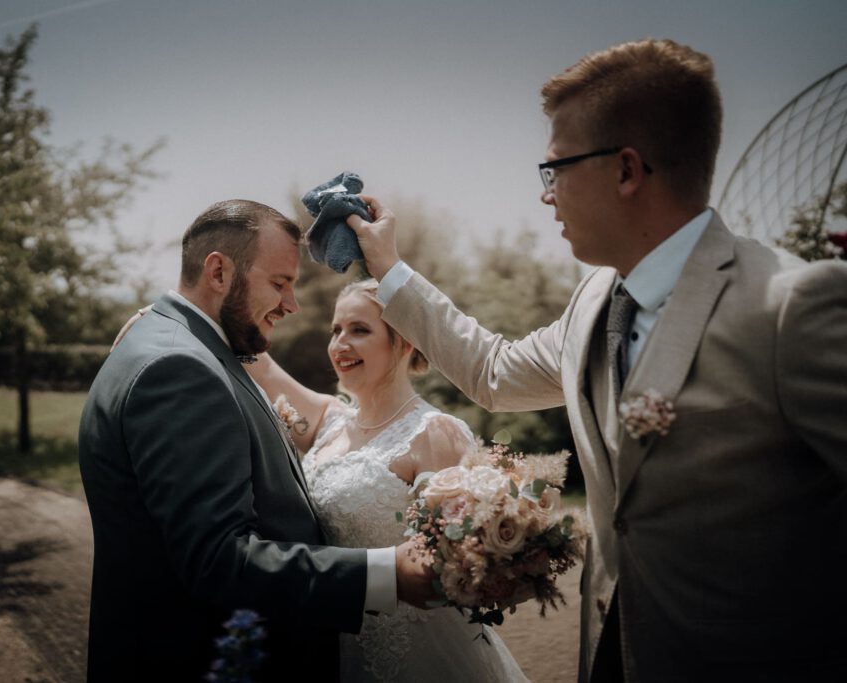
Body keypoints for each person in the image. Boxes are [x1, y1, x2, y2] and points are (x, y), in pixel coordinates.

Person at [347, 39, 847, 682]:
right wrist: (388, 270)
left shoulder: (792, 306)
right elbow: (494, 374)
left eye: (554, 169)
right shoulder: (593, 301)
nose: (545, 196)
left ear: (627, 170)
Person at [78, 200, 433, 682]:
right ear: (219, 272)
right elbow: (218, 557)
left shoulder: (183, 347)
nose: (292, 304)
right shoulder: (181, 369)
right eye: (280, 283)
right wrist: (385, 574)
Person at [239, 278, 530, 682]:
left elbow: (448, 566)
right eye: (335, 330)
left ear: (404, 341)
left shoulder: (434, 433)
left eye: (359, 330)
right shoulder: (328, 421)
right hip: (337, 644)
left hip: (421, 655)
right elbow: (259, 362)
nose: (340, 343)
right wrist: (193, 319)